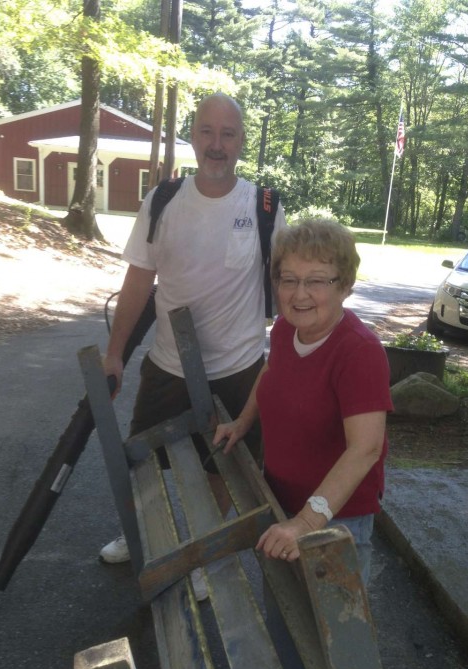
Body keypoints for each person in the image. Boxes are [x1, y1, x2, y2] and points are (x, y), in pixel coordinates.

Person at [213, 218, 392, 669]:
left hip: (336, 525)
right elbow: (271, 375)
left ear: (344, 284)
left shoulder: (358, 351)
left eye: (317, 280)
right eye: (288, 279)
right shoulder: (284, 332)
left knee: (338, 644)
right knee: (286, 616)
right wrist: (243, 421)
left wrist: (306, 522)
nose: (300, 294)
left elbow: (364, 449)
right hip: (282, 504)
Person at [98, 92, 286, 597]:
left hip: (240, 365)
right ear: (194, 136)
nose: (217, 144)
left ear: (242, 141)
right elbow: (138, 280)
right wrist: (115, 353)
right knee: (144, 459)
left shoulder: (265, 207)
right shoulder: (163, 200)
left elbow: (286, 285)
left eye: (228, 134)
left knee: (221, 465)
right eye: (207, 132)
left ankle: (204, 551)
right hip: (168, 363)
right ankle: (141, 536)